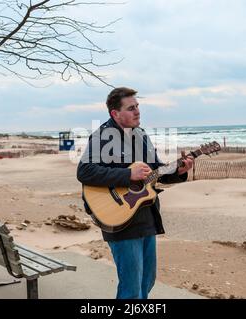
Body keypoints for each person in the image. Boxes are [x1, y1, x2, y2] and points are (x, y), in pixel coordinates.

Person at [77, 87, 193, 299]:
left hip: (146, 216)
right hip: (118, 217)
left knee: (146, 283)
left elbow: (154, 172)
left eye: (137, 106)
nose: (137, 111)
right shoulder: (102, 136)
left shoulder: (141, 135)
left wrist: (179, 171)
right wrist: (128, 174)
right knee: (131, 290)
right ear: (115, 113)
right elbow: (84, 171)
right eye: (131, 108)